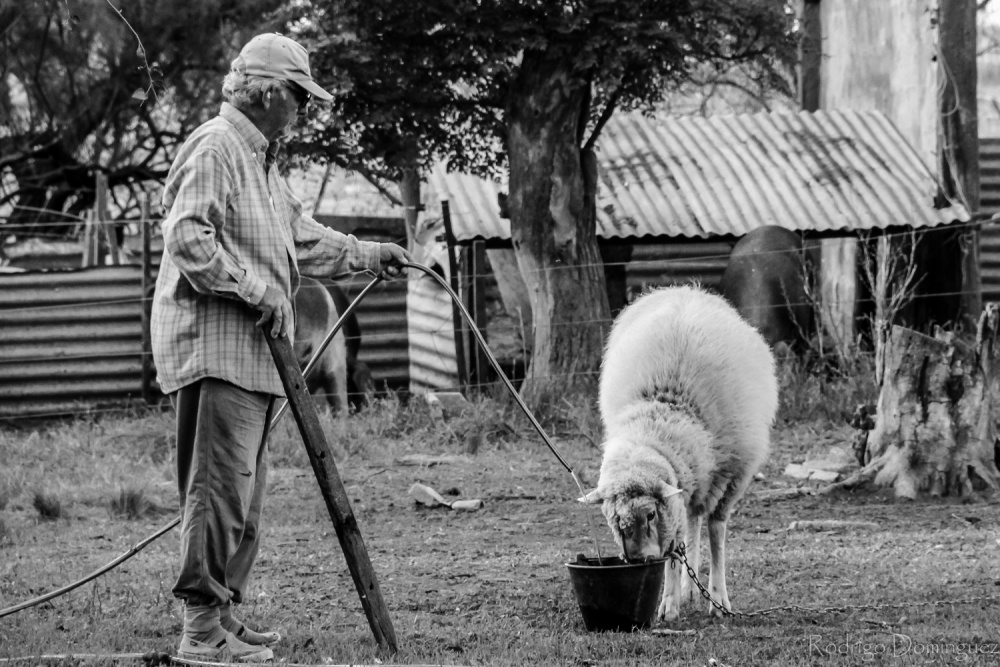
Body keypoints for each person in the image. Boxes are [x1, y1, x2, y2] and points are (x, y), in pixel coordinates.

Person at [150, 33, 412, 662]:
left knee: (244, 494)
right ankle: (201, 632)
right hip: (217, 351)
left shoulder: (260, 159)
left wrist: (369, 255)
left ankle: (223, 616)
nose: (303, 109)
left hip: (255, 355)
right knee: (218, 493)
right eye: (298, 96)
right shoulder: (217, 148)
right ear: (266, 91)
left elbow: (302, 237)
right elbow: (187, 238)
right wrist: (254, 288)